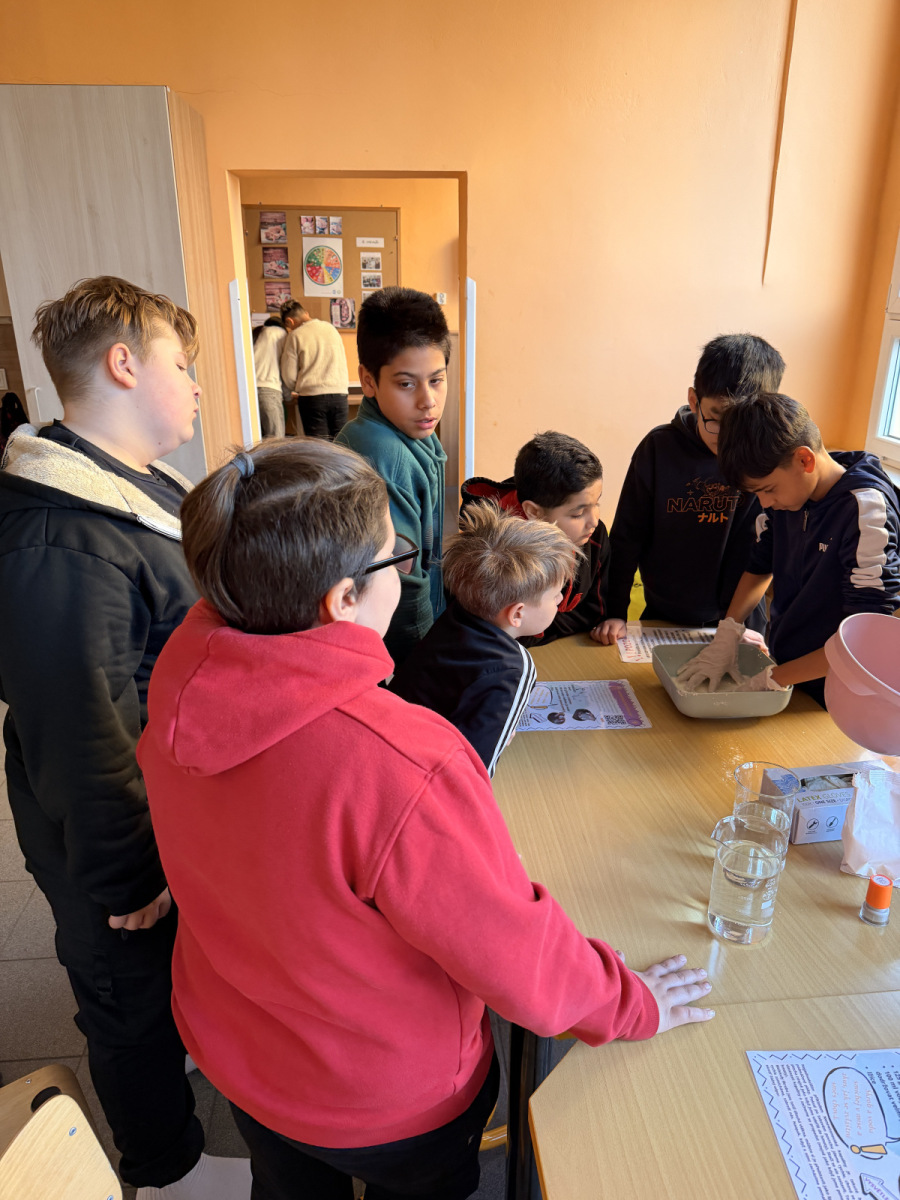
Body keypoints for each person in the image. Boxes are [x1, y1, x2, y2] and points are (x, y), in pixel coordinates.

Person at [138, 437, 715, 1200]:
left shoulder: (181, 682)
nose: (405, 574)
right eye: (395, 559)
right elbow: (511, 948)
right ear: (343, 600)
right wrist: (629, 1002)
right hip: (381, 1097)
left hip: (244, 1052)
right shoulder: (398, 761)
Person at [0, 277, 250, 1200]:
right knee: (123, 993)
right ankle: (167, 1172)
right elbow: (81, 731)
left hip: (166, 801)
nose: (195, 385)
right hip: (112, 830)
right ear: (123, 364)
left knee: (163, 977)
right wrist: (129, 874)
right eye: (182, 365)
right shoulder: (59, 536)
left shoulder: (134, 487)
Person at [682, 392, 900, 706]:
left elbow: (864, 636)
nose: (766, 502)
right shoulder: (789, 495)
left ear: (804, 460)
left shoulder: (864, 511)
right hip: (786, 667)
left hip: (835, 689)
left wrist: (774, 679)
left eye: (768, 490)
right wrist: (728, 632)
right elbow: (760, 566)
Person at [595, 334, 786, 645]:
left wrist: (735, 622)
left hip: (741, 619)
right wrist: (614, 612)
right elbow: (627, 538)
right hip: (664, 615)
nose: (729, 438)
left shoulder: (767, 459)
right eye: (718, 420)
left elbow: (769, 550)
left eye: (742, 423)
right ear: (695, 401)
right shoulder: (658, 449)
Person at [390, 502, 575, 776]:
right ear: (517, 614)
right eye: (555, 594)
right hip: (423, 776)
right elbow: (476, 770)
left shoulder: (456, 615)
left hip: (392, 748)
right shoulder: (514, 668)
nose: (560, 599)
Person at [335, 287, 449, 665]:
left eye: (436, 380)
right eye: (406, 383)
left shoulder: (413, 433)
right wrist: (424, 660)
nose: (428, 400)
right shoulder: (386, 455)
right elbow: (403, 582)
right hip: (395, 646)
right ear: (368, 381)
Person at [461, 431, 608, 646]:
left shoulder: (592, 535)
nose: (594, 520)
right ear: (534, 512)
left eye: (597, 503)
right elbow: (487, 632)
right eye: (578, 513)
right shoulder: (492, 554)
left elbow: (594, 611)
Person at [279, 299, 349, 439]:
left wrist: (297, 387)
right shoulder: (331, 329)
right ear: (306, 313)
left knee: (319, 446)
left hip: (312, 397)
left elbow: (288, 375)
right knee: (342, 444)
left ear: (289, 322)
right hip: (340, 394)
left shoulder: (295, 335)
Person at [252, 315, 287, 438]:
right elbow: (286, 367)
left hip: (250, 392)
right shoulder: (281, 334)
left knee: (258, 439)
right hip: (269, 391)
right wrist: (288, 395)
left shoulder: (256, 334)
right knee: (276, 441)